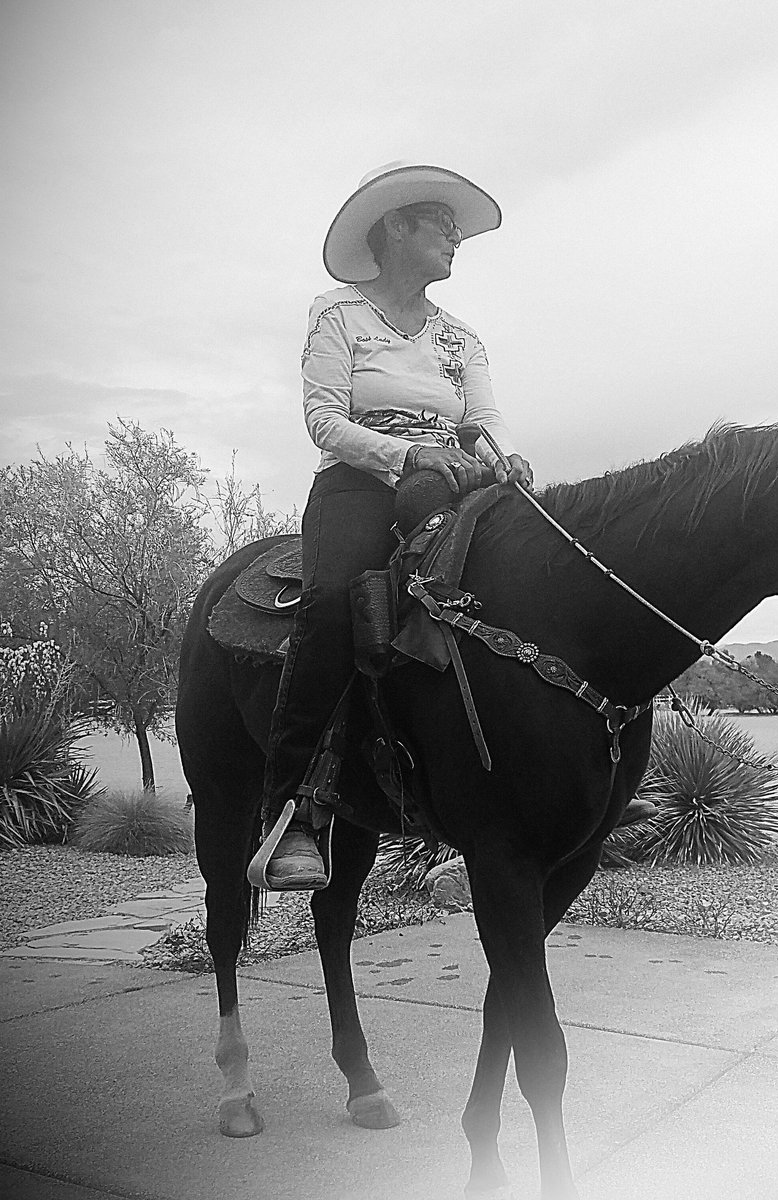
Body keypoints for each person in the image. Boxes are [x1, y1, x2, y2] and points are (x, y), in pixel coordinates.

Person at [250, 161, 533, 890]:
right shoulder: (337, 315)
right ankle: (293, 811)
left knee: (523, 583)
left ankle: (539, 773)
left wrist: (505, 459)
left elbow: (486, 420)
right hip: (358, 484)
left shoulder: (460, 339)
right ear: (395, 229)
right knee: (333, 601)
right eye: (440, 224)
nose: (454, 238)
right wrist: (408, 454)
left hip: (449, 484)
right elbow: (324, 421)